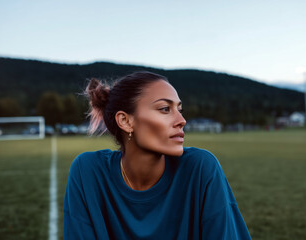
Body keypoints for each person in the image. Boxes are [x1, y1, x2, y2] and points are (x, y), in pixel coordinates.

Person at [63, 71, 251, 239]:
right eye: (164, 109)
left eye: (179, 109)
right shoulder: (87, 172)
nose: (181, 120)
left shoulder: (200, 168)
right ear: (125, 121)